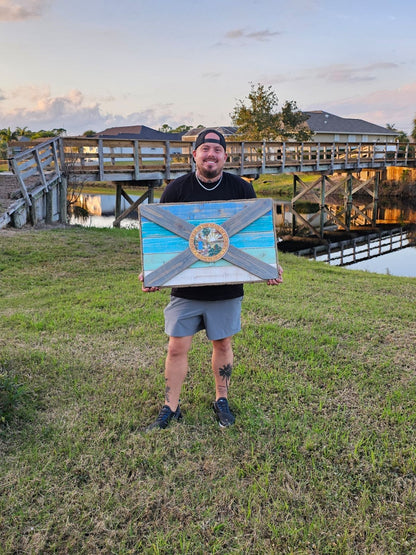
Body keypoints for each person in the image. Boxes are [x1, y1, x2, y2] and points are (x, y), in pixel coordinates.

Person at [140, 129, 283, 430]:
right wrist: (153, 273)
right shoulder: (176, 190)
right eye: (204, 149)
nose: (211, 155)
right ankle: (171, 406)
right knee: (176, 347)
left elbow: (255, 236)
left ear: (225, 156)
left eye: (217, 150)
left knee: (222, 343)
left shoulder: (241, 188)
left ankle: (221, 399)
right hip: (185, 288)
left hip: (226, 288)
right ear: (194, 154)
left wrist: (267, 268)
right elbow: (160, 240)